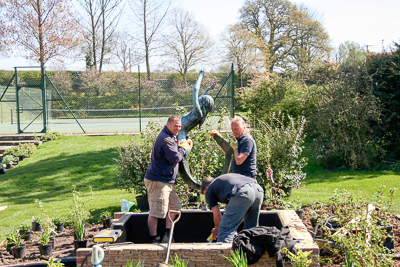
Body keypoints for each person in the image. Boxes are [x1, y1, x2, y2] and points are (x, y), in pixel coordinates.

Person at [144, 115, 192, 243]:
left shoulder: (171, 136)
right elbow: (175, 158)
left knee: (174, 208)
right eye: (175, 126)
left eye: (179, 126)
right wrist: (184, 148)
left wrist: (185, 140)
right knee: (156, 211)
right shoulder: (165, 139)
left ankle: (167, 235)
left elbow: (176, 145)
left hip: (167, 181)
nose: (178, 128)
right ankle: (153, 239)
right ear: (168, 125)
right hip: (158, 181)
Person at [201, 173, 264, 243]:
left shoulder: (210, 189)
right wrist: (233, 227)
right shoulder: (225, 185)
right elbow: (240, 215)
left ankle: (226, 253)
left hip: (244, 192)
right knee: (251, 229)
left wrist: (217, 229)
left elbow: (218, 217)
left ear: (206, 188)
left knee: (224, 231)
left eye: (204, 193)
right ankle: (252, 252)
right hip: (257, 189)